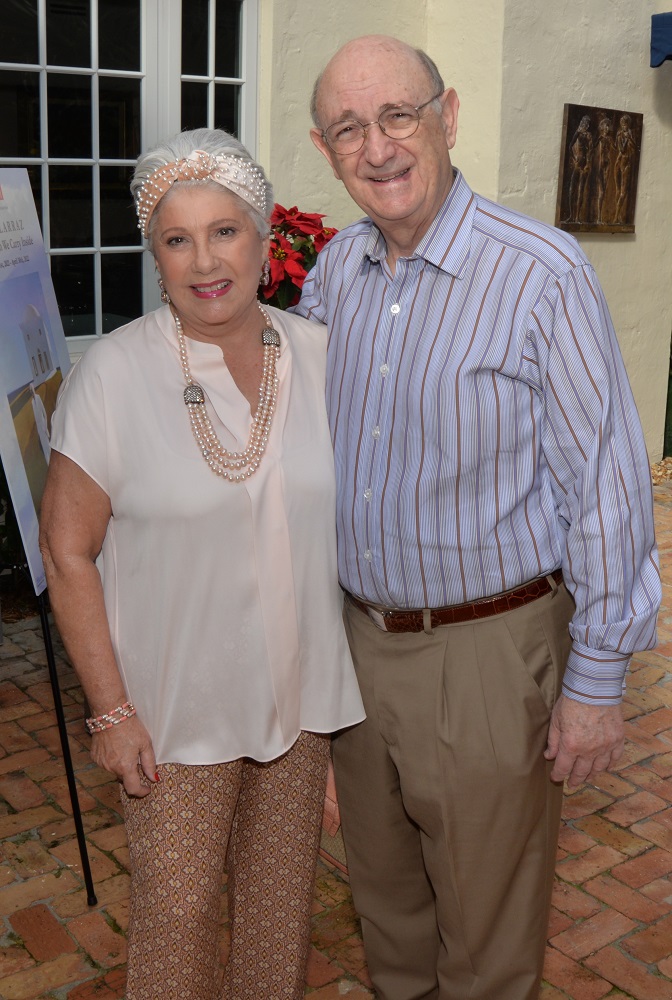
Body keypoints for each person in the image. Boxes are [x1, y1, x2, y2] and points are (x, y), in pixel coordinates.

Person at [295, 35, 660, 1000]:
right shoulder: (334, 275)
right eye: (348, 128)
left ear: (448, 117)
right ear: (326, 149)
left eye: (398, 115)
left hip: (488, 656)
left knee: (488, 943)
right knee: (388, 914)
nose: (378, 147)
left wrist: (596, 682)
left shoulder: (543, 273)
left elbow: (608, 487)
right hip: (358, 649)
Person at [39, 127, 364, 1000]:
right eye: (176, 240)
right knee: (175, 927)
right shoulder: (111, 373)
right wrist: (110, 714)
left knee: (278, 917)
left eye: (224, 231)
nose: (203, 260)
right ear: (155, 255)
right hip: (173, 712)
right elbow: (67, 550)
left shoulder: (326, 358)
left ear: (264, 238)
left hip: (300, 706)